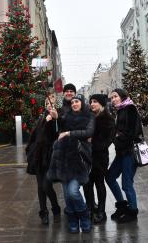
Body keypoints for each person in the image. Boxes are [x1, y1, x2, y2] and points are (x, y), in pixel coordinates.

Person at [47, 94, 95, 233]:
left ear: (82, 103)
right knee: (67, 195)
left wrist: (68, 133)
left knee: (73, 191)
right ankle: (73, 220)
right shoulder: (67, 116)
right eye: (73, 102)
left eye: (77, 101)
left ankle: (84, 217)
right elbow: (60, 124)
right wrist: (56, 117)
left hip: (80, 159)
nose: (74, 104)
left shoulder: (89, 116)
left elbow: (88, 132)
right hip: (64, 158)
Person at [106, 88, 142, 223]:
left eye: (115, 96)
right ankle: (122, 205)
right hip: (121, 152)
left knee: (127, 184)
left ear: (122, 97)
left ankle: (132, 212)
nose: (113, 99)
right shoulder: (121, 109)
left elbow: (133, 132)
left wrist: (117, 137)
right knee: (109, 177)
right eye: (111, 98)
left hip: (129, 152)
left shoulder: (130, 109)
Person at [25, 95, 61, 225]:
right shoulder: (42, 118)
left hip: (50, 157)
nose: (49, 106)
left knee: (46, 185)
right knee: (40, 187)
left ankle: (55, 207)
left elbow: (58, 133)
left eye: (51, 104)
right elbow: (35, 136)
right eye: (47, 104)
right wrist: (30, 150)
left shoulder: (57, 118)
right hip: (38, 157)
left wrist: (55, 119)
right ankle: (43, 212)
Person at [83, 94, 115, 224]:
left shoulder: (108, 118)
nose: (92, 104)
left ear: (101, 104)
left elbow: (108, 140)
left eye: (95, 101)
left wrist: (92, 142)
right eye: (91, 102)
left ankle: (101, 211)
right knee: (87, 184)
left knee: (99, 184)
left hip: (99, 157)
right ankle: (90, 208)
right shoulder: (88, 117)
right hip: (86, 156)